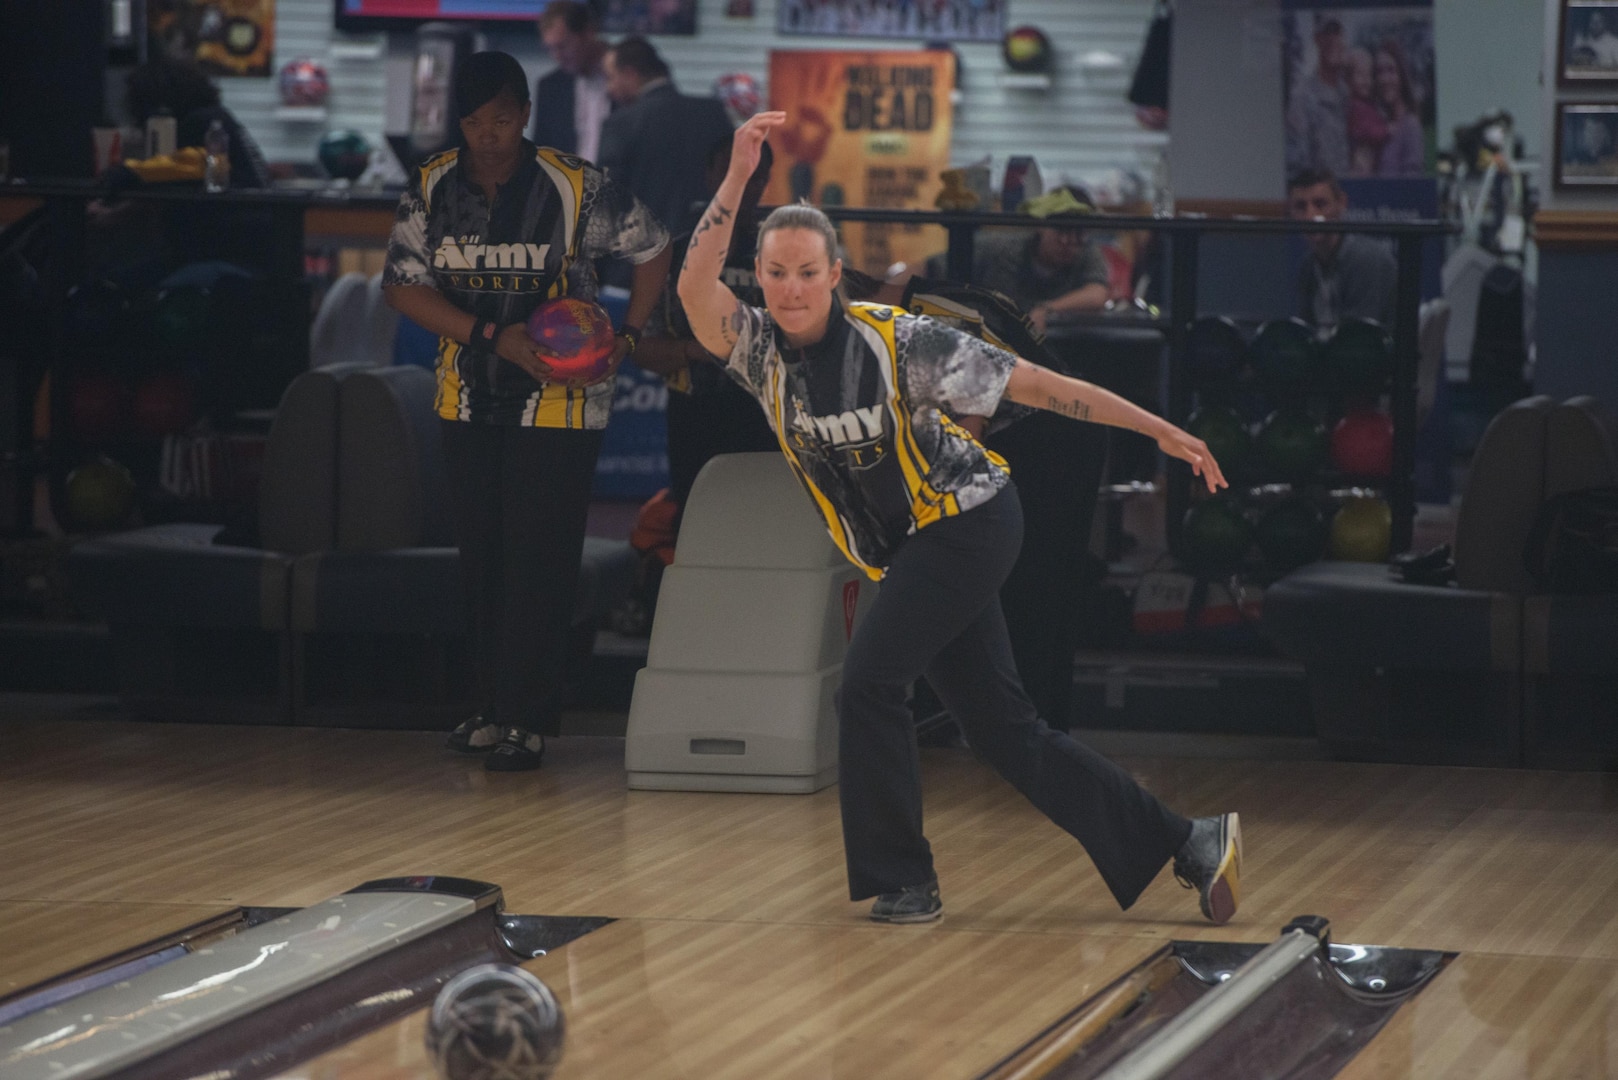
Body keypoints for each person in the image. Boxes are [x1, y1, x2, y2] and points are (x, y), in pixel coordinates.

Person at [677, 111, 1243, 926]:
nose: (792, 288)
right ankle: (1187, 841)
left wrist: (1161, 431)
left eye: (807, 271)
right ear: (758, 277)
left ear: (836, 274)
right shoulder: (758, 351)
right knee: (1005, 732)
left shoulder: (900, 342)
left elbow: (1046, 389)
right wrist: (737, 177)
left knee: (869, 684)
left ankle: (904, 879)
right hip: (911, 550)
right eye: (775, 273)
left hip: (969, 521)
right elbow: (695, 286)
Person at [382, 51, 672, 771]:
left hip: (562, 402)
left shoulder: (576, 186)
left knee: (538, 560)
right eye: (476, 121)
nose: (489, 135)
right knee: (483, 557)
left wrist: (629, 336)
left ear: (525, 117)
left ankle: (528, 720)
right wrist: (489, 337)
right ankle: (489, 707)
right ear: (460, 121)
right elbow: (402, 288)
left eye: (503, 120)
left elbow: (656, 246)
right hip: (468, 391)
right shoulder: (431, 187)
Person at [597, 36, 735, 234]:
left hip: (644, 253)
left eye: (610, 78)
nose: (608, 89)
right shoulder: (713, 113)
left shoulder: (620, 124)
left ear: (629, 74)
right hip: (707, 245)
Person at [970, 187, 1111, 333]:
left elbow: (1096, 294)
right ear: (1041, 226)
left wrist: (1047, 309)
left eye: (1078, 233)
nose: (1066, 241)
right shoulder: (1001, 250)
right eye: (1060, 229)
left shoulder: (1087, 251)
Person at [1288, 167, 1397, 333]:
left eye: (1320, 204)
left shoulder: (1366, 260)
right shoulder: (1308, 267)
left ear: (1342, 204)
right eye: (1301, 206)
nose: (1311, 215)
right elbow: (1305, 333)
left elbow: (1358, 341)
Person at [532, 1, 611, 163]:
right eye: (550, 48)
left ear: (588, 33)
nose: (557, 55)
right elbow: (542, 154)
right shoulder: (550, 87)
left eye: (563, 46)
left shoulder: (625, 77)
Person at [1285, 15, 1349, 177]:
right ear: (1317, 39)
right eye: (1327, 34)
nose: (1333, 40)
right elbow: (1298, 165)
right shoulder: (1302, 96)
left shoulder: (1349, 93)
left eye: (1337, 33)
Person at [1373, 40, 1425, 177]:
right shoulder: (1377, 123)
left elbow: (1412, 185)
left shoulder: (1410, 126)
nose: (1384, 79)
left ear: (1401, 75)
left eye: (1391, 70)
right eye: (1379, 72)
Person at [1344, 46, 1388, 177]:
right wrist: (1387, 130)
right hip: (1360, 166)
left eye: (1369, 75)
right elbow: (1367, 131)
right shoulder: (1355, 106)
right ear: (1349, 80)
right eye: (1360, 75)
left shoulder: (1368, 105)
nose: (1366, 81)